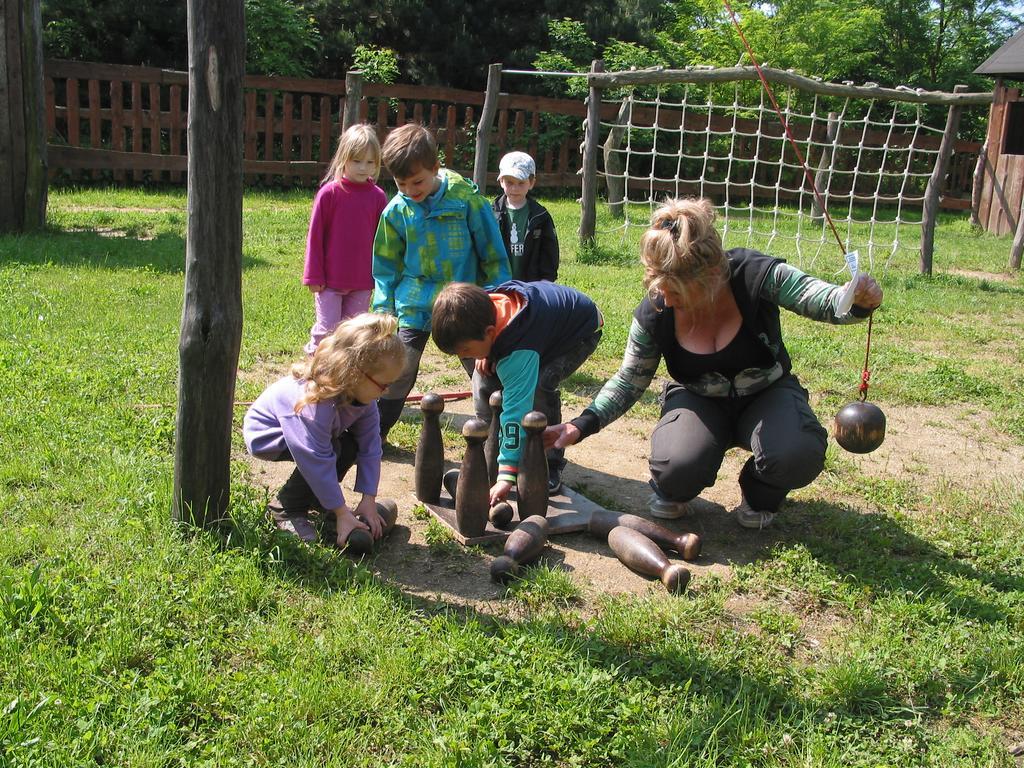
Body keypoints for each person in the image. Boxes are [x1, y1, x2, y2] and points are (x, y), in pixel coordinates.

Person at [544, 197, 883, 529]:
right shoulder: (655, 311)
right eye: (659, 286)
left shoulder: (756, 275)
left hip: (767, 392)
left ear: (709, 276)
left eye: (676, 290)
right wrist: (581, 424)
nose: (665, 297)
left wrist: (858, 299)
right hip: (696, 397)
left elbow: (825, 301)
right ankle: (676, 481)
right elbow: (629, 380)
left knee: (797, 453)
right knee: (677, 469)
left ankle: (760, 491)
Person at [371, 123, 511, 440]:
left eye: (417, 181)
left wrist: (499, 297)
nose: (409, 189)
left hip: (463, 302)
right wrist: (384, 307)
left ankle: (493, 438)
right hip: (414, 301)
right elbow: (386, 265)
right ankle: (373, 436)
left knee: (482, 367)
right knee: (399, 367)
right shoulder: (396, 211)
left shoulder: (466, 199)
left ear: (436, 167)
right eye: (400, 182)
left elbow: (492, 252)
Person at [243, 313, 405, 547]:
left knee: (349, 445)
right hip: (269, 434)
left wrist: (369, 499)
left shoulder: (364, 400)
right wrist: (341, 512)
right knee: (332, 450)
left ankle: (320, 499)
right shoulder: (315, 403)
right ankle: (287, 508)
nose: (386, 392)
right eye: (384, 384)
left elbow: (371, 447)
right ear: (355, 373)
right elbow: (314, 458)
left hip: (316, 438)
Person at [432, 280, 603, 501]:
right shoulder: (477, 311)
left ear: (490, 332)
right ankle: (491, 452)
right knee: (484, 374)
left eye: (466, 349)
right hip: (542, 324)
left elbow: (515, 411)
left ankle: (547, 463)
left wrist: (506, 476)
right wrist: (485, 353)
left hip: (579, 331)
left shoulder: (520, 348)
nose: (464, 356)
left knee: (539, 387)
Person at [302, 123, 388, 356]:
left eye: (370, 162)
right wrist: (313, 275)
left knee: (353, 333)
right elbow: (316, 236)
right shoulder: (329, 193)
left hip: (361, 281)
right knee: (327, 331)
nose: (363, 167)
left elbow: (384, 242)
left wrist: (382, 277)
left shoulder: (378, 197)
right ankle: (315, 367)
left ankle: (344, 376)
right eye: (357, 160)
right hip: (330, 281)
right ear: (343, 158)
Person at [492, 151, 559, 282]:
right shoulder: (491, 214)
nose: (515, 188)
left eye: (521, 183)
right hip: (499, 285)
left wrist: (546, 282)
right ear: (501, 181)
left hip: (531, 285)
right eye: (509, 182)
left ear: (532, 182)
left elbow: (549, 253)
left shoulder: (540, 216)